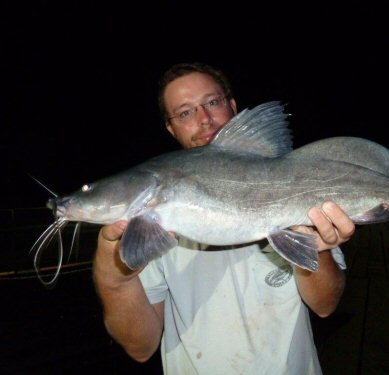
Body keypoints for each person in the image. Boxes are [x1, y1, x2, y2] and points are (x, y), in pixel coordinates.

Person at [93, 62, 355, 374]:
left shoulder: (293, 181)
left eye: (213, 102)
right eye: (185, 112)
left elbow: (325, 306)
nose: (204, 120)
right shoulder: (152, 221)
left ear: (232, 106)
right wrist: (113, 279)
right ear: (171, 128)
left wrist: (319, 248)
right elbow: (140, 347)